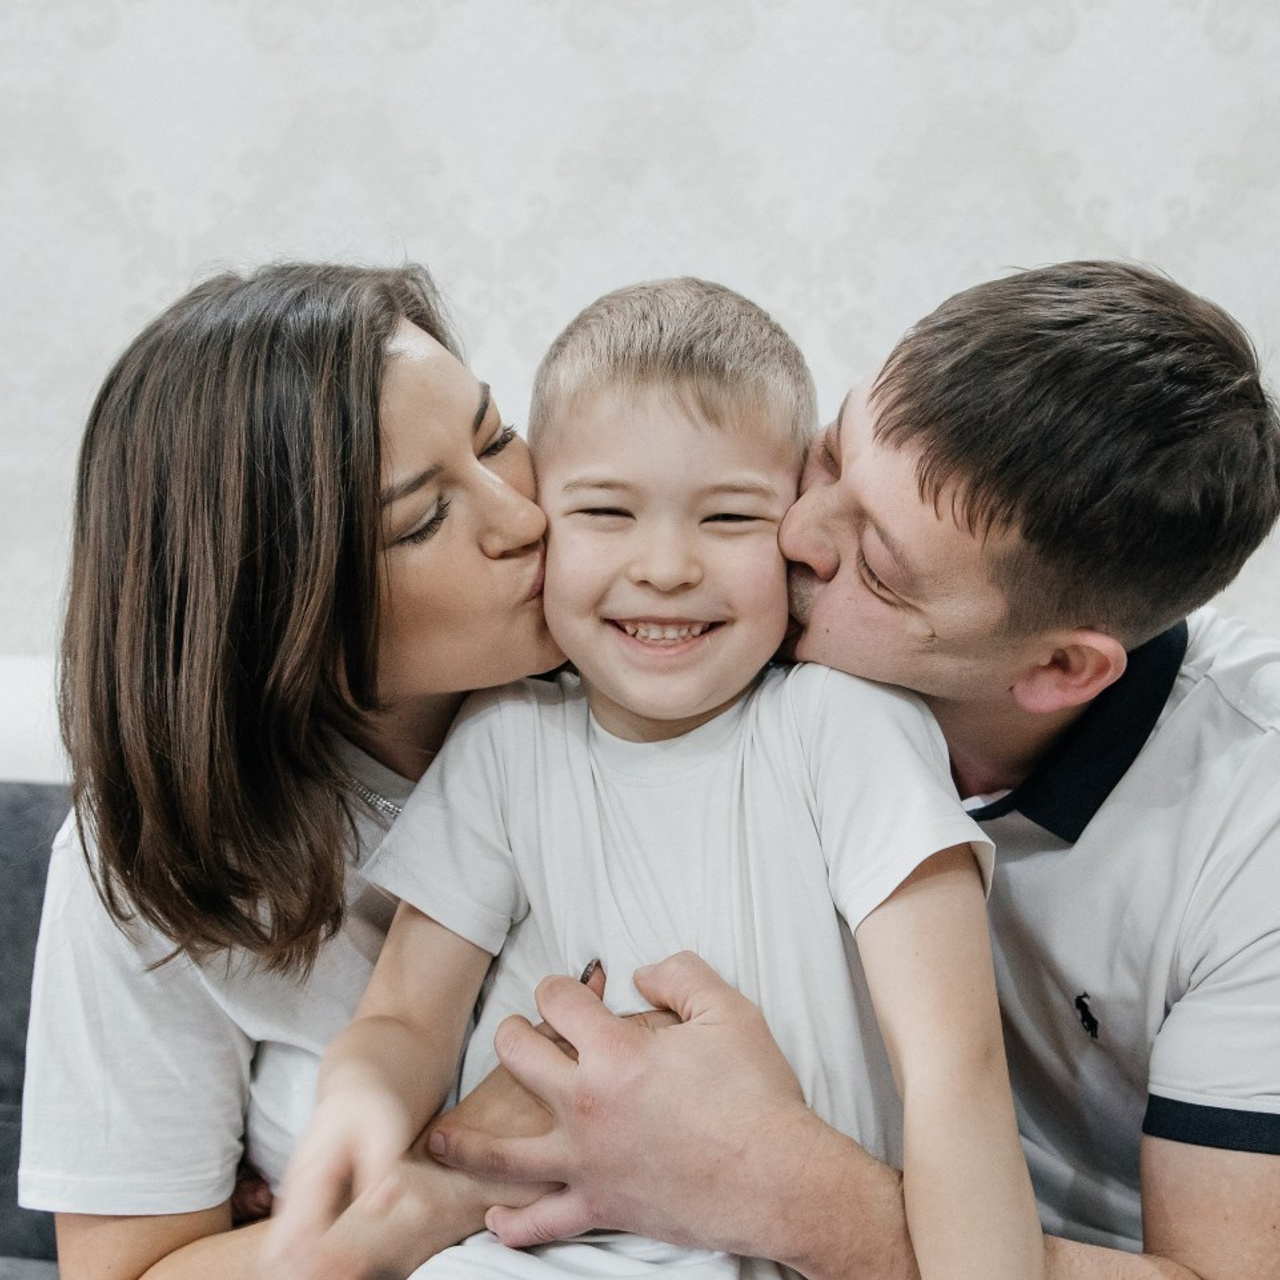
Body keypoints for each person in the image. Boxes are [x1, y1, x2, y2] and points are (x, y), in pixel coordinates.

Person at [425, 262, 1280, 1279]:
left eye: (874, 566)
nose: (792, 534)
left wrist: (782, 1188)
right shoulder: (680, 639)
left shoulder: (1248, 829)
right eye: (829, 456)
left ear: (1057, 667)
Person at [267, 278, 1043, 1280]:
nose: (666, 565)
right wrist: (361, 1101)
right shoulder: (506, 740)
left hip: (788, 1246)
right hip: (533, 1257)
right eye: (603, 510)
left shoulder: (846, 726)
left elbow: (954, 1073)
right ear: (542, 516)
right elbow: (404, 1018)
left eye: (727, 516)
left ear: (795, 527)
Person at [18, 262, 570, 1280]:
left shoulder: (659, 666)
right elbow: (128, 1271)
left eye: (494, 436)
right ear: (277, 611)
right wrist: (438, 1189)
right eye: (421, 519)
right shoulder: (154, 864)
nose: (522, 517)